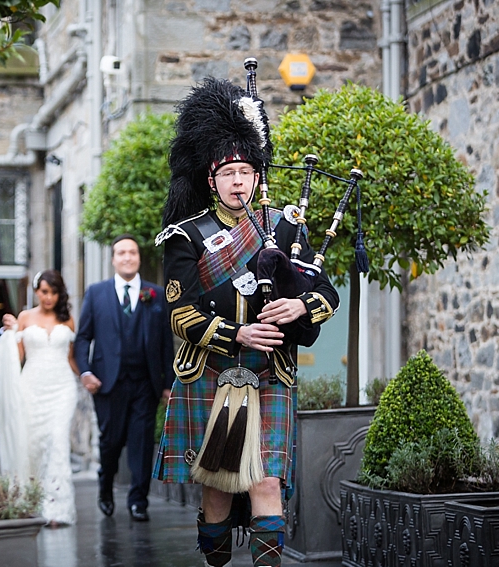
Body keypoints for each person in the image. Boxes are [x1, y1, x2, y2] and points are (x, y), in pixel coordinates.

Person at [153, 77, 339, 567]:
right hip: (212, 370)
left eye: (246, 171)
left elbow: (326, 293)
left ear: (258, 176)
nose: (238, 181)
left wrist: (301, 306)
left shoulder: (284, 227)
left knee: (266, 478)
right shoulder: (185, 236)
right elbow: (181, 314)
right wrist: (238, 332)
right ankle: (216, 559)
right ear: (210, 179)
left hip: (270, 371)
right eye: (228, 172)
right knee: (216, 485)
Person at [74, 234, 175, 522]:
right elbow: (83, 338)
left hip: (146, 383)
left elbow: (167, 343)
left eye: (132, 252)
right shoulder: (96, 293)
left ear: (139, 257)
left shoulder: (155, 294)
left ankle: (138, 501)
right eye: (121, 253)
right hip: (108, 383)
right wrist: (85, 372)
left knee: (142, 443)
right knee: (111, 442)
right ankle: (105, 488)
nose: (127, 257)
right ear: (113, 259)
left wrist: (167, 383)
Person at [0, 269, 80, 526]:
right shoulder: (25, 317)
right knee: (32, 444)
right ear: (36, 291)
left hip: (63, 388)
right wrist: (9, 335)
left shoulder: (69, 320)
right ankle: (33, 501)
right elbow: (17, 357)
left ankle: (57, 509)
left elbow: (71, 357)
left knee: (58, 440)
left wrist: (85, 376)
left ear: (59, 293)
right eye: (44, 291)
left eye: (53, 292)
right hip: (31, 387)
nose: (48, 297)